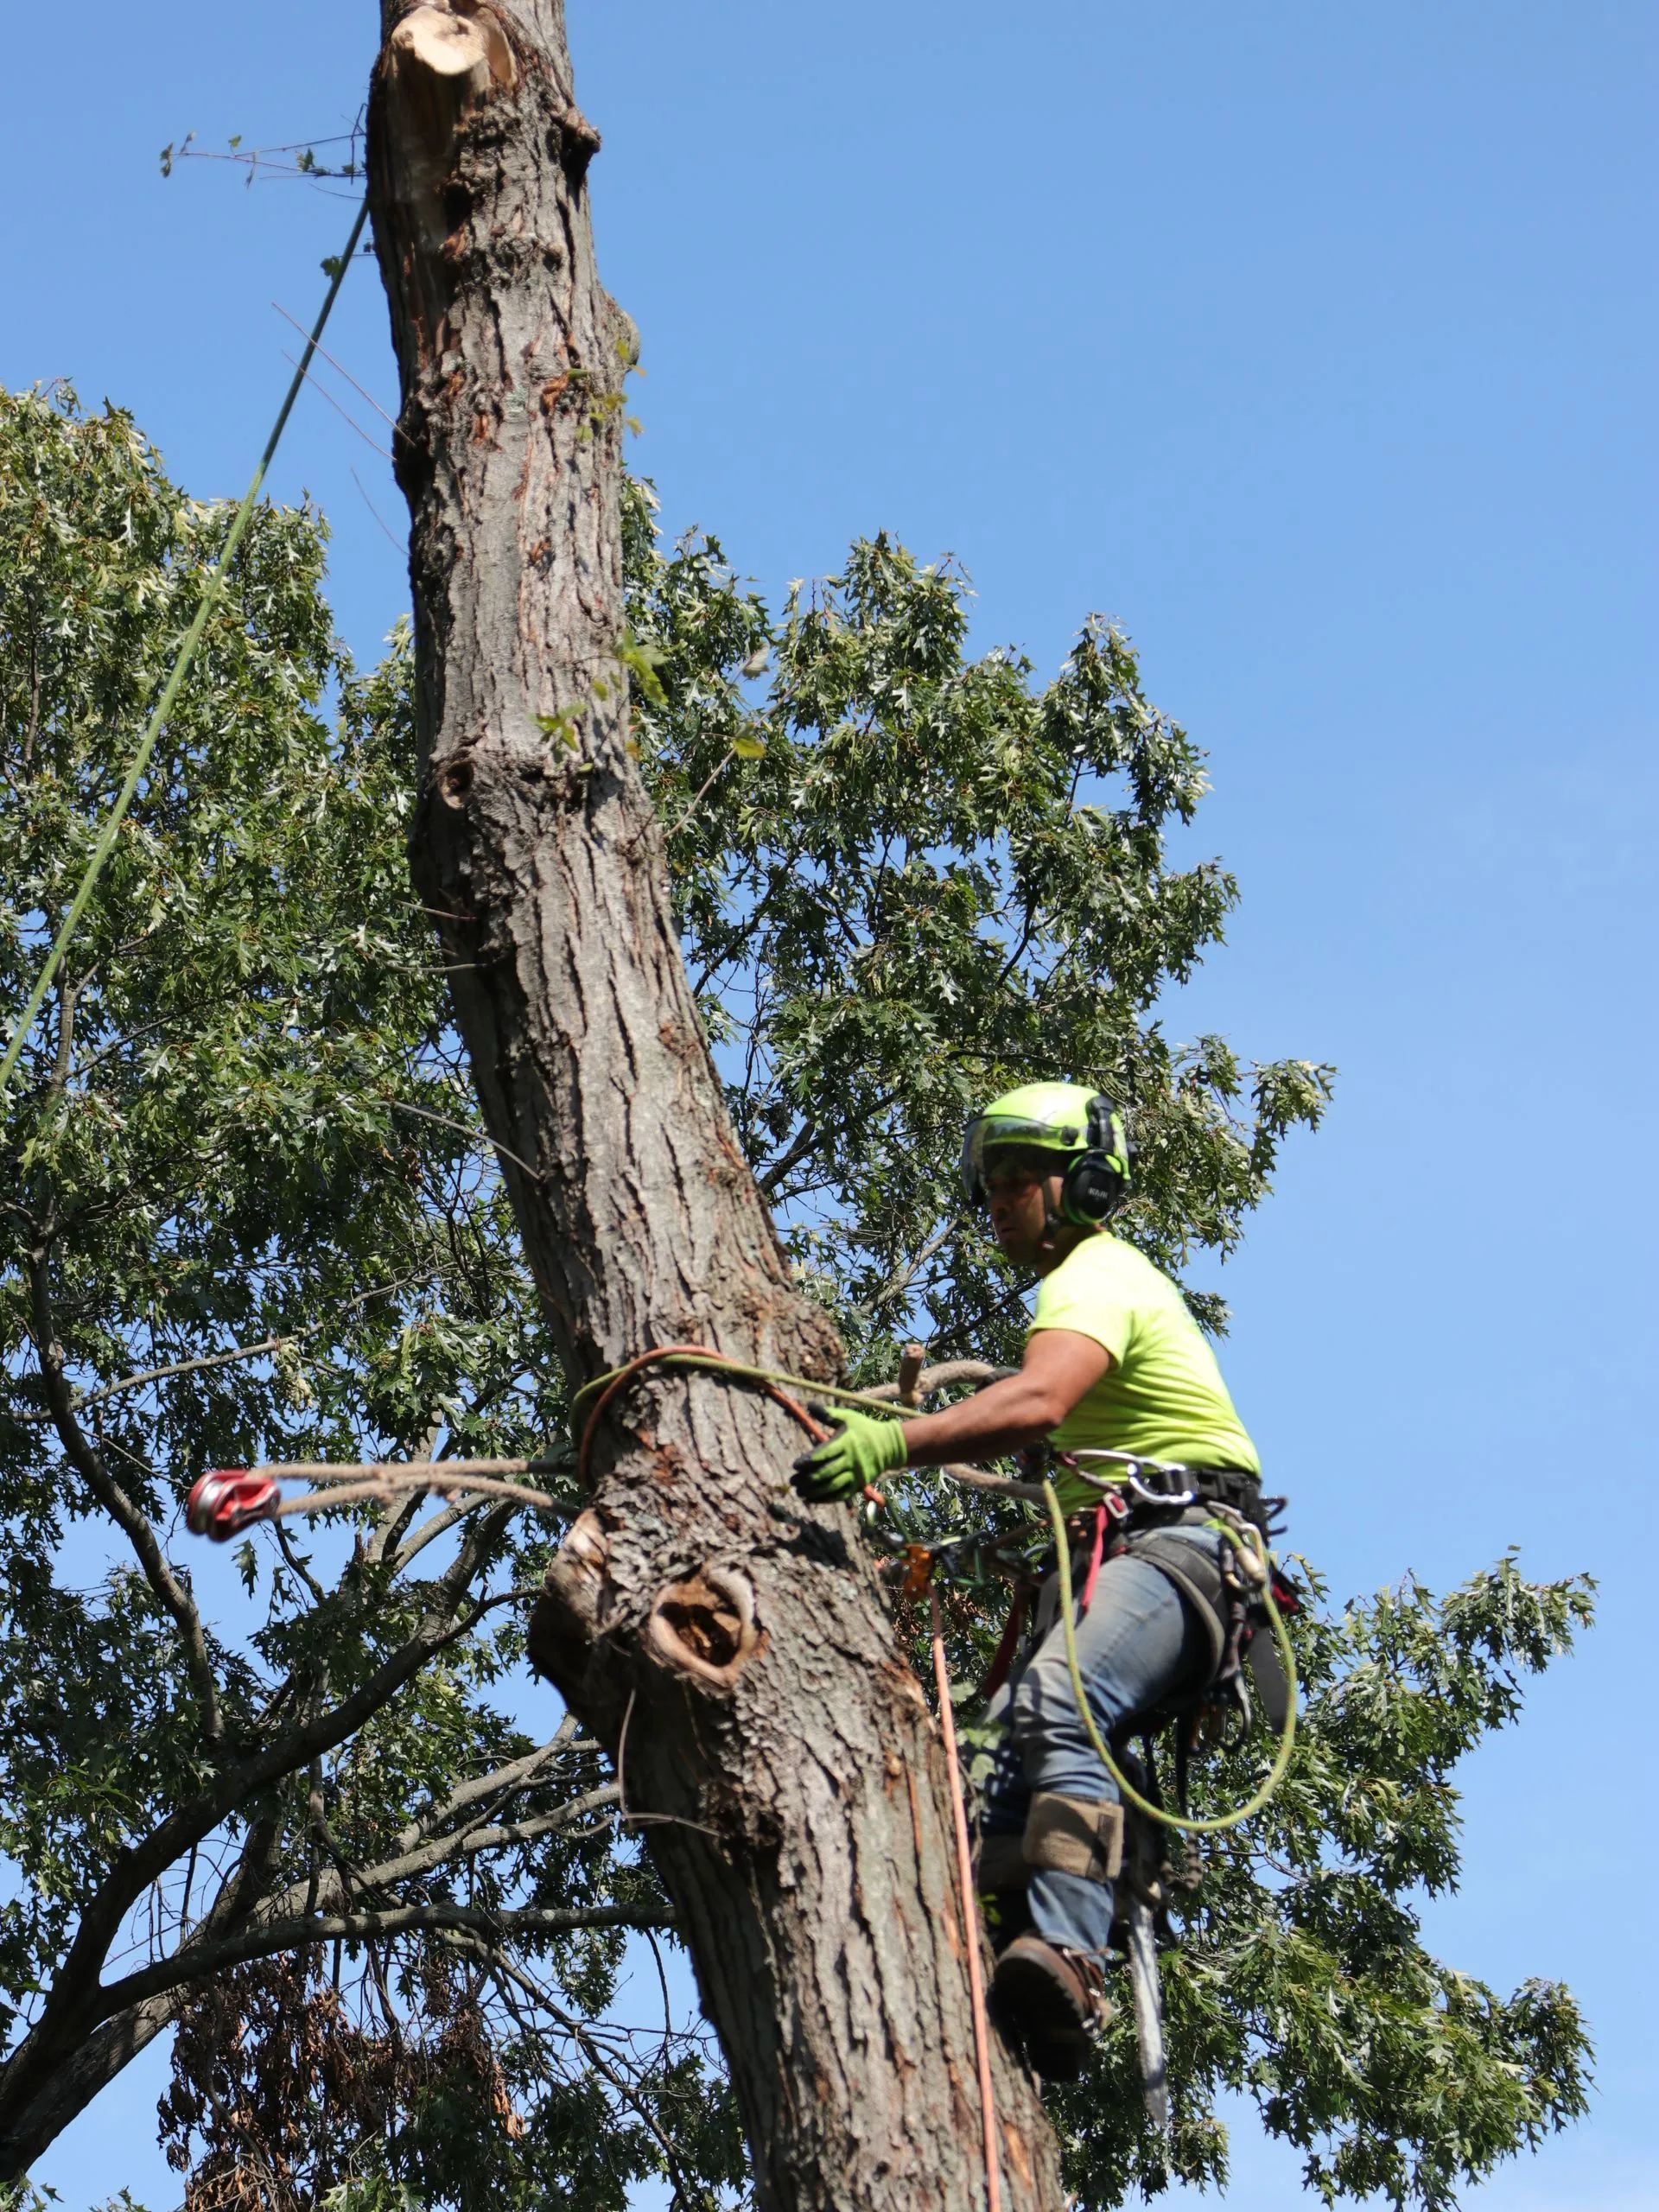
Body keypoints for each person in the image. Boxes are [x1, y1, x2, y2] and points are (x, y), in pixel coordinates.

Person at [791, 1081, 1263, 2075]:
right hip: (1129, 1556)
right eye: (992, 1185)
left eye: (1018, 1181)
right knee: (998, 1770)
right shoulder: (1080, 1285)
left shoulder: (1093, 1273)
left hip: (1185, 1550)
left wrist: (893, 1443)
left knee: (1062, 1699)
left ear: (1083, 1183)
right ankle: (1017, 1973)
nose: (999, 1202)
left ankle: (1074, 1957)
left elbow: (1040, 1400)